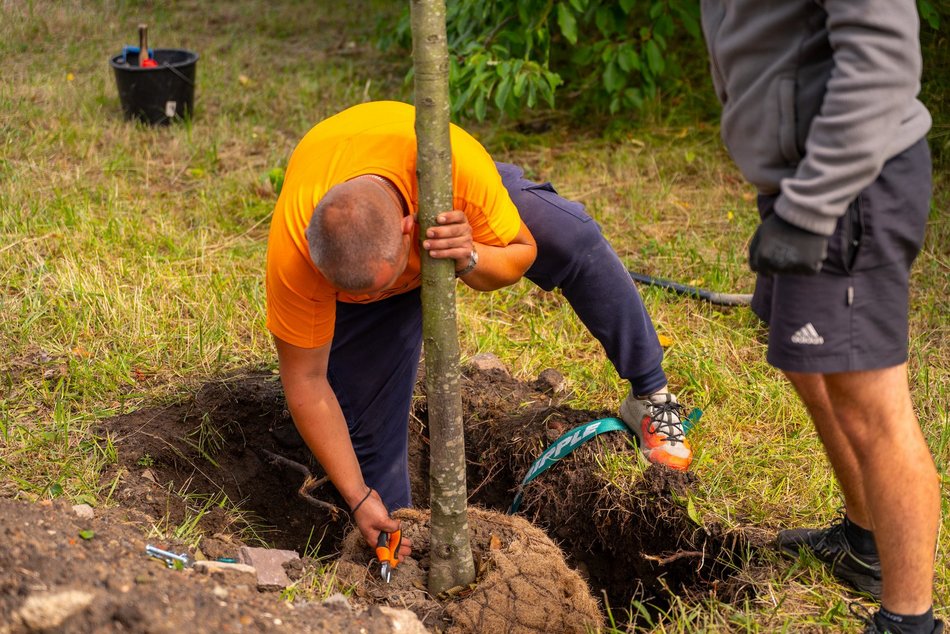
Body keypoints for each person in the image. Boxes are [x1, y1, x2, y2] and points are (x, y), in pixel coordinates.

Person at [265, 100, 693, 556]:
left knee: (573, 239)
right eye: (356, 296)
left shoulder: (458, 174)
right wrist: (358, 497)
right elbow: (307, 382)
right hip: (364, 228)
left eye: (380, 287)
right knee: (370, 461)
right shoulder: (295, 254)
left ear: (412, 229)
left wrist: (471, 257)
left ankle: (649, 395)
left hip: (453, 211)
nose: (371, 300)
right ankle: (404, 564)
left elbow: (519, 252)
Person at [700, 2, 942, 633]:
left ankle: (909, 621)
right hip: (800, 180)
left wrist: (810, 209)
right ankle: (864, 542)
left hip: (847, 187)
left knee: (872, 404)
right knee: (810, 367)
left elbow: (883, 56)